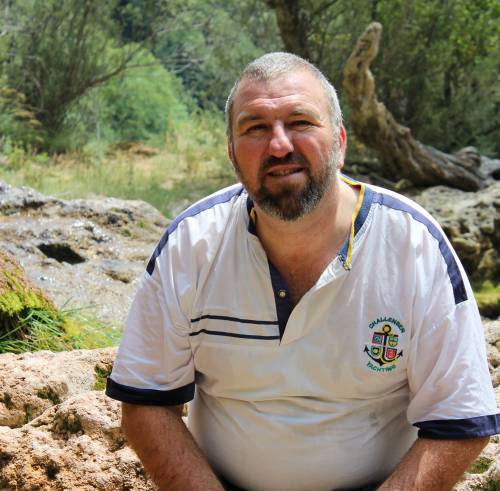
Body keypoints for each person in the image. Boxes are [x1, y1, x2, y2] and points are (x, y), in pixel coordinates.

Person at [106, 52, 499, 491]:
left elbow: (459, 418)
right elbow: (146, 404)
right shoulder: (191, 245)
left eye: (300, 122)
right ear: (232, 153)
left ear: (340, 142)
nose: (279, 146)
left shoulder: (413, 246)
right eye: (255, 128)